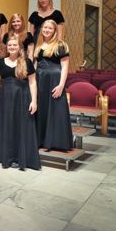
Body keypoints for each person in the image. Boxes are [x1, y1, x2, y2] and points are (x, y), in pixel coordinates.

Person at [0, 36, 40, 170]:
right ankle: (3, 155)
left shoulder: (26, 62)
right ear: (6, 47)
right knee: (5, 125)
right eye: (9, 45)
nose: (12, 47)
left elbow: (32, 82)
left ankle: (19, 156)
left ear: (19, 47)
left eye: (14, 45)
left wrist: (34, 101)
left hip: (22, 98)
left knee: (20, 126)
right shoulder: (0, 62)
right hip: (3, 99)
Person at [35, 19, 73, 151]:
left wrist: (61, 85)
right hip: (40, 79)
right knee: (42, 109)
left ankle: (55, 141)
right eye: (45, 27)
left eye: (50, 28)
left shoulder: (61, 45)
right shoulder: (39, 44)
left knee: (54, 110)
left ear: (55, 31)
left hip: (54, 80)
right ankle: (41, 139)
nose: (47, 30)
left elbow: (65, 66)